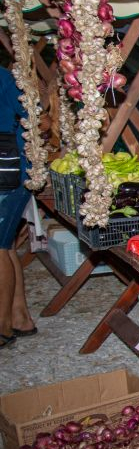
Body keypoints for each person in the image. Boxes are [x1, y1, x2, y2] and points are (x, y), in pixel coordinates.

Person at [0, 66, 37, 347]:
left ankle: (2, 327)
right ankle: (19, 317)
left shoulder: (2, 76)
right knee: (7, 245)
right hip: (13, 168)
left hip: (7, 170)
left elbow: (32, 115)